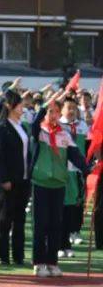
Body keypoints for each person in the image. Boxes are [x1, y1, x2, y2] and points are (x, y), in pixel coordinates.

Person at [28, 89, 87, 277]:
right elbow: (34, 123)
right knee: (41, 224)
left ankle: (52, 262)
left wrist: (90, 170)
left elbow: (76, 157)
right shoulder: (39, 132)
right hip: (40, 183)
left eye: (55, 111)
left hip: (58, 185)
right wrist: (46, 103)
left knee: (55, 224)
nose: (52, 115)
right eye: (49, 112)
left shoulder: (64, 135)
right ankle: (38, 262)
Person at [0, 90, 30, 266]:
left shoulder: (22, 126)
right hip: (9, 181)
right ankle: (2, 254)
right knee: (5, 218)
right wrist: (4, 178)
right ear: (9, 105)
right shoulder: (2, 127)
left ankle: (18, 255)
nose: (22, 107)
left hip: (23, 179)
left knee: (20, 218)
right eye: (19, 104)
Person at [59, 97, 87, 256]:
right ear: (62, 109)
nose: (71, 111)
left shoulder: (81, 125)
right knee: (61, 209)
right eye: (68, 107)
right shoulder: (58, 126)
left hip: (76, 171)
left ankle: (68, 242)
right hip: (62, 171)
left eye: (74, 108)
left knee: (72, 207)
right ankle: (59, 244)